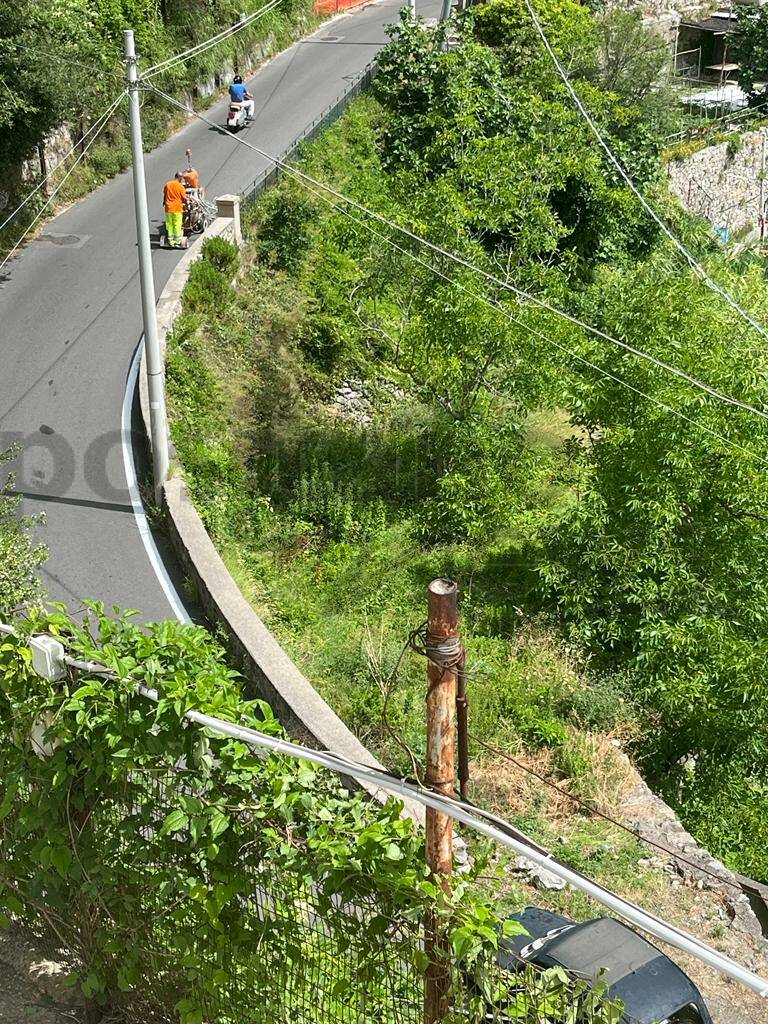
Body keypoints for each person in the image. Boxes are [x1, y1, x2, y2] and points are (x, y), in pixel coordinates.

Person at [163, 171, 187, 248]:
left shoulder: (168, 184)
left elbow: (165, 195)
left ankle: (170, 241)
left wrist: (164, 202)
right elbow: (184, 198)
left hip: (168, 208)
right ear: (179, 177)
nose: (182, 179)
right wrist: (187, 203)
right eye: (182, 178)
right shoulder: (180, 187)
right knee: (177, 224)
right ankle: (177, 241)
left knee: (169, 224)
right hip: (177, 209)